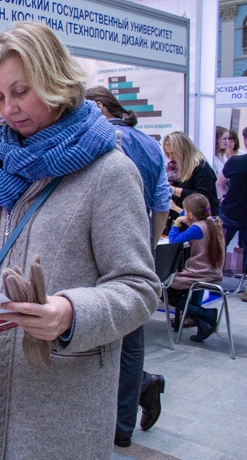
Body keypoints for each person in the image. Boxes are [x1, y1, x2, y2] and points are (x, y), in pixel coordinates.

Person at [0, 22, 159, 459]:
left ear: (56, 79)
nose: (8, 110)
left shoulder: (109, 173)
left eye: (21, 91)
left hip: (55, 409)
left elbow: (139, 286)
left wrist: (70, 313)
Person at [86, 86, 170, 446]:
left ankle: (121, 415)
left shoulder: (100, 141)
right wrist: (147, 246)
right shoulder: (151, 145)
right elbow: (162, 201)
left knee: (103, 336)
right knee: (130, 340)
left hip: (99, 255)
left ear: (101, 106)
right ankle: (122, 427)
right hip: (134, 252)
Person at [166, 193, 225, 341]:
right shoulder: (214, 222)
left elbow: (174, 242)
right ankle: (203, 322)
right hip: (213, 271)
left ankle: (205, 315)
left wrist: (178, 221)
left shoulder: (197, 228)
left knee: (164, 289)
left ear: (190, 215)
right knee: (177, 290)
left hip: (200, 273)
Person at [163, 131, 220, 226]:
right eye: (168, 154)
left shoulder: (201, 168)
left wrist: (174, 190)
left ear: (184, 150)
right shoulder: (173, 169)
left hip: (201, 224)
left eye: (173, 153)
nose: (171, 157)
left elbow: (202, 196)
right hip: (179, 221)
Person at [217, 127, 247, 301]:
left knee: (218, 245)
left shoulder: (235, 162)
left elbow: (220, 184)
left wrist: (223, 198)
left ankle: (211, 280)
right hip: (234, 212)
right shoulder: (235, 161)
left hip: (230, 212)